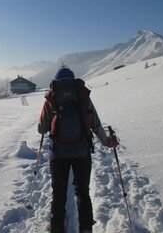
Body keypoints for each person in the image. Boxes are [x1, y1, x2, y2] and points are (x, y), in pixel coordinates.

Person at [37, 67, 117, 233]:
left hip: (59, 154)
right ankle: (86, 228)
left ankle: (57, 228)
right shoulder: (83, 96)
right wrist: (107, 141)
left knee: (58, 194)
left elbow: (42, 129)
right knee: (83, 192)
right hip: (82, 152)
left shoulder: (53, 97)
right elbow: (95, 124)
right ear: (73, 80)